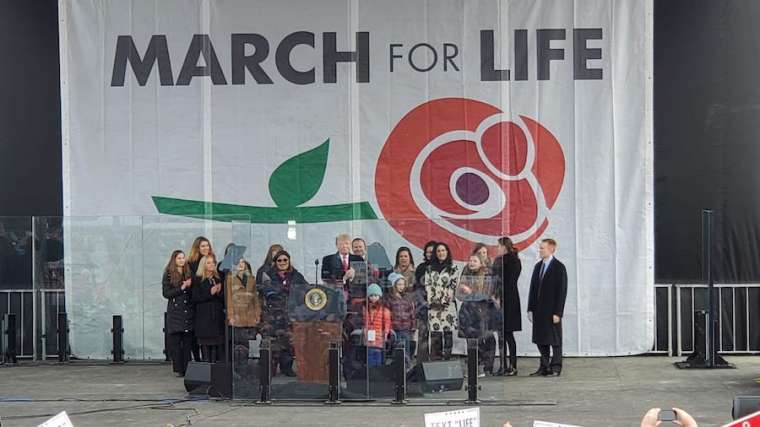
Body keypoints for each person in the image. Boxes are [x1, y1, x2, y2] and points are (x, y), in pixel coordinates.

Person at [260, 249, 307, 377]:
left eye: (285, 260)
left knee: (289, 342)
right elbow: (266, 291)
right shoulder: (268, 275)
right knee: (273, 342)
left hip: (290, 315)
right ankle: (271, 369)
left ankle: (287, 368)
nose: (282, 262)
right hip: (273, 315)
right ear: (275, 262)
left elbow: (305, 290)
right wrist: (283, 290)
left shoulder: (297, 276)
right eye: (279, 260)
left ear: (289, 261)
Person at [527, 238, 567, 377]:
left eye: (543, 248)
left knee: (555, 340)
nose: (540, 250)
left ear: (551, 249)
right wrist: (530, 308)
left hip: (551, 311)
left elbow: (562, 292)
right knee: (540, 339)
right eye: (540, 248)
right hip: (539, 311)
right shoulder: (538, 266)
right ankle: (544, 366)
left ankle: (556, 367)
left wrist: (558, 312)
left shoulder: (559, 267)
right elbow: (533, 288)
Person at [456, 254, 497, 375]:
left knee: (482, 341)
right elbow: (458, 295)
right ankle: (473, 368)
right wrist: (462, 292)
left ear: (481, 263)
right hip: (467, 313)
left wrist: (470, 291)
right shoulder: (466, 276)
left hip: (481, 313)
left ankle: (486, 367)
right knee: (470, 341)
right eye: (470, 260)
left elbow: (486, 296)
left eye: (475, 260)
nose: (471, 262)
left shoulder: (486, 276)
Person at [492, 236, 522, 376]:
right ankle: (503, 365)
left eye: (498, 246)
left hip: (508, 300)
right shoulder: (499, 261)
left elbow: (509, 282)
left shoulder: (513, 261)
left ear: (504, 246)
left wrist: (499, 296)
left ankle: (512, 365)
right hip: (500, 299)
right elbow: (494, 280)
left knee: (508, 334)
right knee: (502, 335)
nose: (497, 248)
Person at [424, 242, 459, 360]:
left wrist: (444, 301)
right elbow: (428, 285)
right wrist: (432, 301)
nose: (441, 253)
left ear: (447, 252)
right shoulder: (429, 269)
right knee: (435, 335)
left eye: (443, 250)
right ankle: (436, 360)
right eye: (438, 251)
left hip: (447, 306)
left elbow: (453, 286)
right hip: (433, 307)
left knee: (447, 334)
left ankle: (447, 360)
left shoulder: (453, 269)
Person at [162, 250, 194, 376]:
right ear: (174, 260)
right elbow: (166, 293)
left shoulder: (188, 272)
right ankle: (179, 369)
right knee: (176, 342)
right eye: (179, 258)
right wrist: (181, 288)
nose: (181, 260)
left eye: (183, 258)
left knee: (187, 343)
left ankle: (188, 367)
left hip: (187, 311)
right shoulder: (169, 274)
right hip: (175, 311)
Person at [191, 254, 225, 363]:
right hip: (204, 318)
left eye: (213, 263)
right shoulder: (197, 279)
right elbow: (195, 297)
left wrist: (219, 292)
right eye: (208, 262)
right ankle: (206, 367)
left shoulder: (217, 278)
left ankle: (215, 368)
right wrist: (210, 292)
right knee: (205, 344)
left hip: (216, 317)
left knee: (216, 345)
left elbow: (223, 299)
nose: (212, 265)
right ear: (203, 265)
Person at [385, 272, 415, 368]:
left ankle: (406, 366)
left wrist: (413, 325)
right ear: (394, 285)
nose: (401, 287)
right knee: (396, 348)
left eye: (403, 284)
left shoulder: (407, 298)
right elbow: (387, 314)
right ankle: (397, 367)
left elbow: (411, 312)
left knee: (406, 348)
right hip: (395, 328)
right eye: (399, 284)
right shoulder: (390, 299)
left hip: (405, 328)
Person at [321, 233, 363, 301]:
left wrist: (355, 274)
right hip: (335, 296)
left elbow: (363, 278)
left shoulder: (358, 259)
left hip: (355, 296)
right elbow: (325, 277)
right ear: (337, 245)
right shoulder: (328, 259)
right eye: (341, 244)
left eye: (347, 243)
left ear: (350, 245)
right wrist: (343, 278)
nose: (344, 246)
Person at [413, 241, 436, 362]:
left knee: (436, 337)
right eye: (427, 252)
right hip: (423, 306)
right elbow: (417, 288)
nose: (429, 254)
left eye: (432, 252)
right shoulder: (421, 267)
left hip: (438, 307)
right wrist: (423, 303)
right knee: (423, 336)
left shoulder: (441, 267)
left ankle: (436, 364)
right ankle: (421, 364)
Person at [225, 258, 260, 328]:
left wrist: (257, 314)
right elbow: (229, 298)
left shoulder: (251, 278)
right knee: (238, 337)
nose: (240, 264)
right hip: (237, 315)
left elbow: (255, 299)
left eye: (242, 262)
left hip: (250, 315)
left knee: (249, 337)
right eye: (238, 262)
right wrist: (230, 315)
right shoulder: (230, 278)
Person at [362, 283, 392, 367]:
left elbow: (387, 323)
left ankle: (378, 370)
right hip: (369, 337)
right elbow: (365, 322)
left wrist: (385, 334)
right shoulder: (366, 309)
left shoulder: (384, 310)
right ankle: (371, 370)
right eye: (371, 295)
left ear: (379, 296)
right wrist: (365, 331)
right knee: (370, 355)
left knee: (378, 355)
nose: (373, 298)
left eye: (376, 295)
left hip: (379, 337)